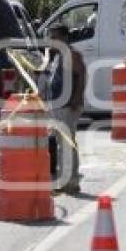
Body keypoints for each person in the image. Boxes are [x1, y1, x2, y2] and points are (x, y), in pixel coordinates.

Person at [41, 24, 86, 195]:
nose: (51, 41)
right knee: (61, 143)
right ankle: (65, 179)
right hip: (58, 105)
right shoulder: (57, 56)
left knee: (67, 143)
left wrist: (75, 98)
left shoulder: (71, 54)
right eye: (50, 37)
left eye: (55, 37)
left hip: (68, 105)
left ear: (64, 37)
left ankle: (71, 181)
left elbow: (81, 75)